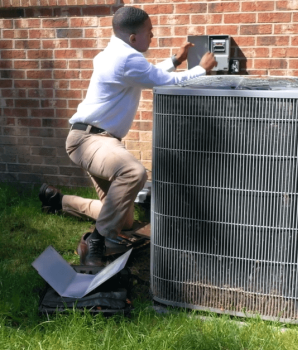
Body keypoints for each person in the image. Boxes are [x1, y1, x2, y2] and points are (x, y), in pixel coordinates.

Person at [39, 6, 217, 266]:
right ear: (133, 38)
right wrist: (202, 69)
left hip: (91, 139)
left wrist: (174, 62)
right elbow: (163, 81)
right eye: (150, 32)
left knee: (124, 220)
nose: (153, 36)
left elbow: (148, 74)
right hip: (90, 141)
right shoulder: (126, 59)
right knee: (133, 172)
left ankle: (58, 200)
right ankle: (97, 241)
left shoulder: (116, 53)